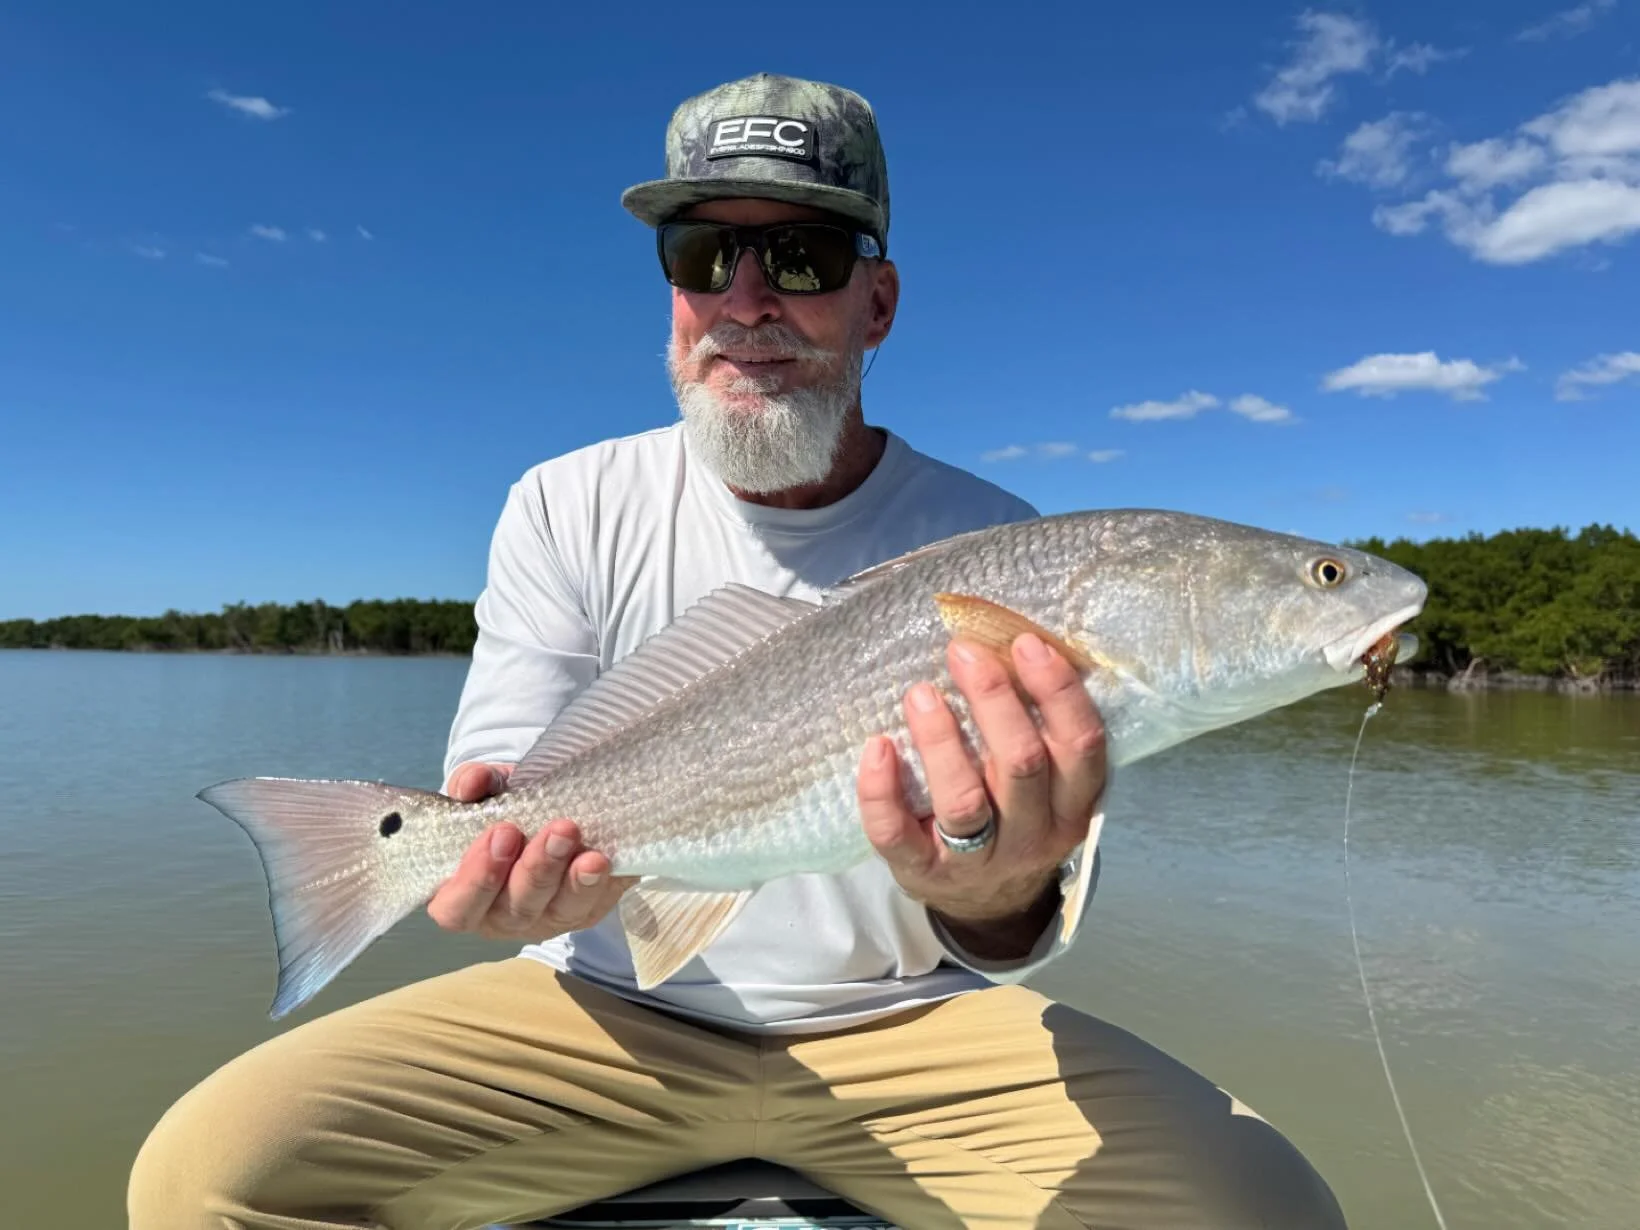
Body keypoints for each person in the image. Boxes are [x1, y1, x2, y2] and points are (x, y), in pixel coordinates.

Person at [129, 72, 1348, 1229]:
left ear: (877, 302)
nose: (748, 300)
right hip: (598, 1012)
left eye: (803, 258)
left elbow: (1028, 915)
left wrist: (993, 894)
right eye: (705, 256)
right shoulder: (563, 501)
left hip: (911, 1027)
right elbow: (503, 784)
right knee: (204, 1175)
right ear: (671, 291)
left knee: (1268, 1209)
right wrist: (502, 878)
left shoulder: (996, 543)